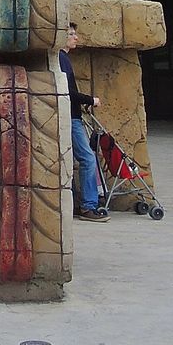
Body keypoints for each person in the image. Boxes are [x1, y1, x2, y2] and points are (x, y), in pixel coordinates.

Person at [60, 21, 106, 221]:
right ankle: (88, 206)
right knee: (87, 159)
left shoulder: (63, 59)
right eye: (71, 34)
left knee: (72, 160)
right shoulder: (61, 58)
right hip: (70, 118)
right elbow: (67, 92)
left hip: (72, 116)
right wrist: (90, 100)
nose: (75, 37)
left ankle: (76, 203)